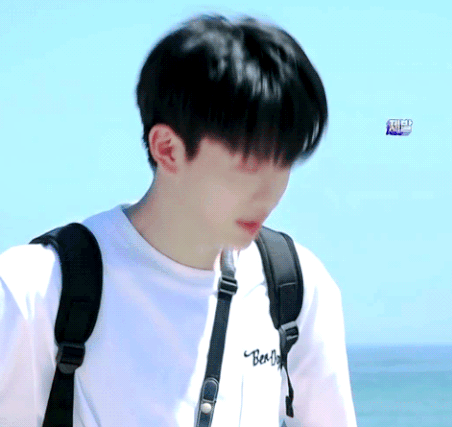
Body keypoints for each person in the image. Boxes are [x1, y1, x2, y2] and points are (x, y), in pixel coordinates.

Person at [0, 13, 357, 427]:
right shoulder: (33, 289)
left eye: (285, 163)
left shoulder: (296, 288)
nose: (270, 194)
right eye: (249, 164)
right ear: (168, 149)